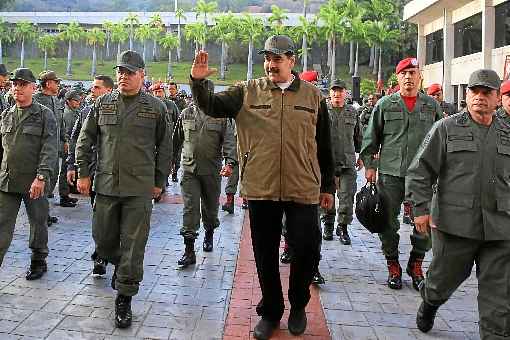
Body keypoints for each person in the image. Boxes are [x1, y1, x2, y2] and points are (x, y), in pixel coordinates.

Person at [190, 35, 335, 339]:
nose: (271, 64)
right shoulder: (246, 91)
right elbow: (211, 105)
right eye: (267, 58)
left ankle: (298, 304)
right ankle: (271, 311)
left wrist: (327, 187)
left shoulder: (312, 96)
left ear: (291, 60)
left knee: (306, 250)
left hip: (303, 186)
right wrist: (198, 82)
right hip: (261, 186)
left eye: (277, 58)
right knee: (264, 254)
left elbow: (324, 145)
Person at [406, 69, 509, 339]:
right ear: (466, 95)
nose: (480, 98)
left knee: (499, 297)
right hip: (455, 225)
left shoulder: (508, 133)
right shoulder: (447, 128)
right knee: (443, 280)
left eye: (487, 92)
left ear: (498, 98)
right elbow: (420, 170)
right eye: (475, 91)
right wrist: (420, 209)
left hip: (500, 227)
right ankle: (430, 301)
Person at [75, 50, 172, 329]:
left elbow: (165, 147)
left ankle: (125, 297)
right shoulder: (103, 103)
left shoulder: (156, 107)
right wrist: (82, 172)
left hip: (139, 188)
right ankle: (120, 265)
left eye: (129, 72)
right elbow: (85, 139)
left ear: (142, 74)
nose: (123, 76)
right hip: (105, 185)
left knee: (134, 245)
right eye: (120, 71)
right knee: (103, 241)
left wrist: (159, 180)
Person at [360, 57, 442, 291]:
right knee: (387, 222)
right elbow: (370, 137)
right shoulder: (385, 104)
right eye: (404, 73)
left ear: (420, 76)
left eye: (412, 72)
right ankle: (393, 264)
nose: (408, 77)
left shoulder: (431, 106)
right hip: (390, 173)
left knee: (424, 223)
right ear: (398, 78)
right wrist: (369, 165)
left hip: (423, 176)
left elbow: (442, 140)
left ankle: (416, 264)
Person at [0, 68, 58, 280]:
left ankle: (38, 259)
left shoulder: (44, 114)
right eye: (15, 84)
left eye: (23, 85)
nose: (17, 88)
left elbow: (49, 148)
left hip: (34, 181)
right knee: (1, 225)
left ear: (33, 88)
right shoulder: (6, 115)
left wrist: (42, 176)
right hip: (7, 180)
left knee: (38, 222)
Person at [173, 81, 237, 267]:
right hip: (189, 170)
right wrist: (171, 164)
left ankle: (209, 233)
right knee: (190, 208)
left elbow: (230, 142)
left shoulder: (221, 117)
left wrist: (230, 163)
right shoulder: (186, 114)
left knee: (210, 207)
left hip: (211, 170)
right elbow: (176, 141)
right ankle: (189, 249)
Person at [67, 75, 114, 277]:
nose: (92, 91)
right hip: (94, 170)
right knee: (100, 215)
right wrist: (72, 166)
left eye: (96, 88)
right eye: (92, 88)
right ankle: (101, 254)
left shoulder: (118, 110)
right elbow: (76, 140)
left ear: (109, 91)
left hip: (114, 172)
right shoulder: (86, 110)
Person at [322, 79, 363, 244]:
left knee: (347, 197)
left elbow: (359, 136)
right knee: (327, 195)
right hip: (327, 163)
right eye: (334, 91)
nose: (337, 94)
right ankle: (328, 224)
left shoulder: (352, 112)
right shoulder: (323, 111)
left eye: (340, 91)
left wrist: (362, 156)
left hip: (347, 162)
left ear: (346, 93)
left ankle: (343, 227)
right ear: (330, 93)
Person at [33, 71, 68, 225]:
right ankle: (40, 216)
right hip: (41, 149)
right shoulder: (35, 100)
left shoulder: (55, 100)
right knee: (43, 181)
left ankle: (44, 212)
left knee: (51, 180)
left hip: (54, 148)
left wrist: (64, 139)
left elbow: (60, 123)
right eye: (56, 81)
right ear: (48, 84)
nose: (58, 84)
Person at [60, 90, 83, 207]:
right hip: (69, 145)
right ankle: (64, 196)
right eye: (75, 100)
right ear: (68, 101)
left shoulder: (74, 111)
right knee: (65, 170)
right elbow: (68, 132)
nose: (78, 102)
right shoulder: (68, 114)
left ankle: (68, 192)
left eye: (79, 100)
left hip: (72, 145)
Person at [168, 81, 187, 182]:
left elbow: (183, 116)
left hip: (178, 131)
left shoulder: (181, 102)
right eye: (169, 89)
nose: (171, 91)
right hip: (168, 132)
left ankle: (175, 172)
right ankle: (165, 176)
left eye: (172, 89)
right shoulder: (165, 101)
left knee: (177, 155)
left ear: (176, 90)